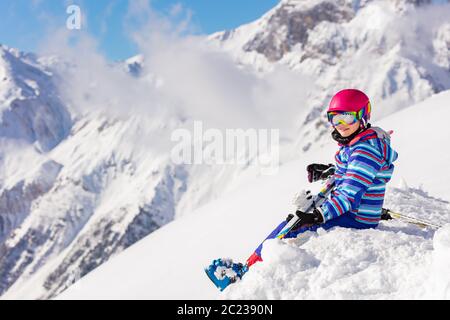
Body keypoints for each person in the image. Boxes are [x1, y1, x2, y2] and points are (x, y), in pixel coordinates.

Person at [246, 88, 399, 267]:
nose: (341, 124)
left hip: (355, 217)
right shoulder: (359, 142)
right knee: (291, 223)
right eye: (335, 118)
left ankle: (250, 269)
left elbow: (348, 194)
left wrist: (318, 216)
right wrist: (331, 171)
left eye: (347, 117)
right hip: (354, 211)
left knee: (292, 227)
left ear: (362, 115)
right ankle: (251, 264)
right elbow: (354, 174)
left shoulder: (364, 151)